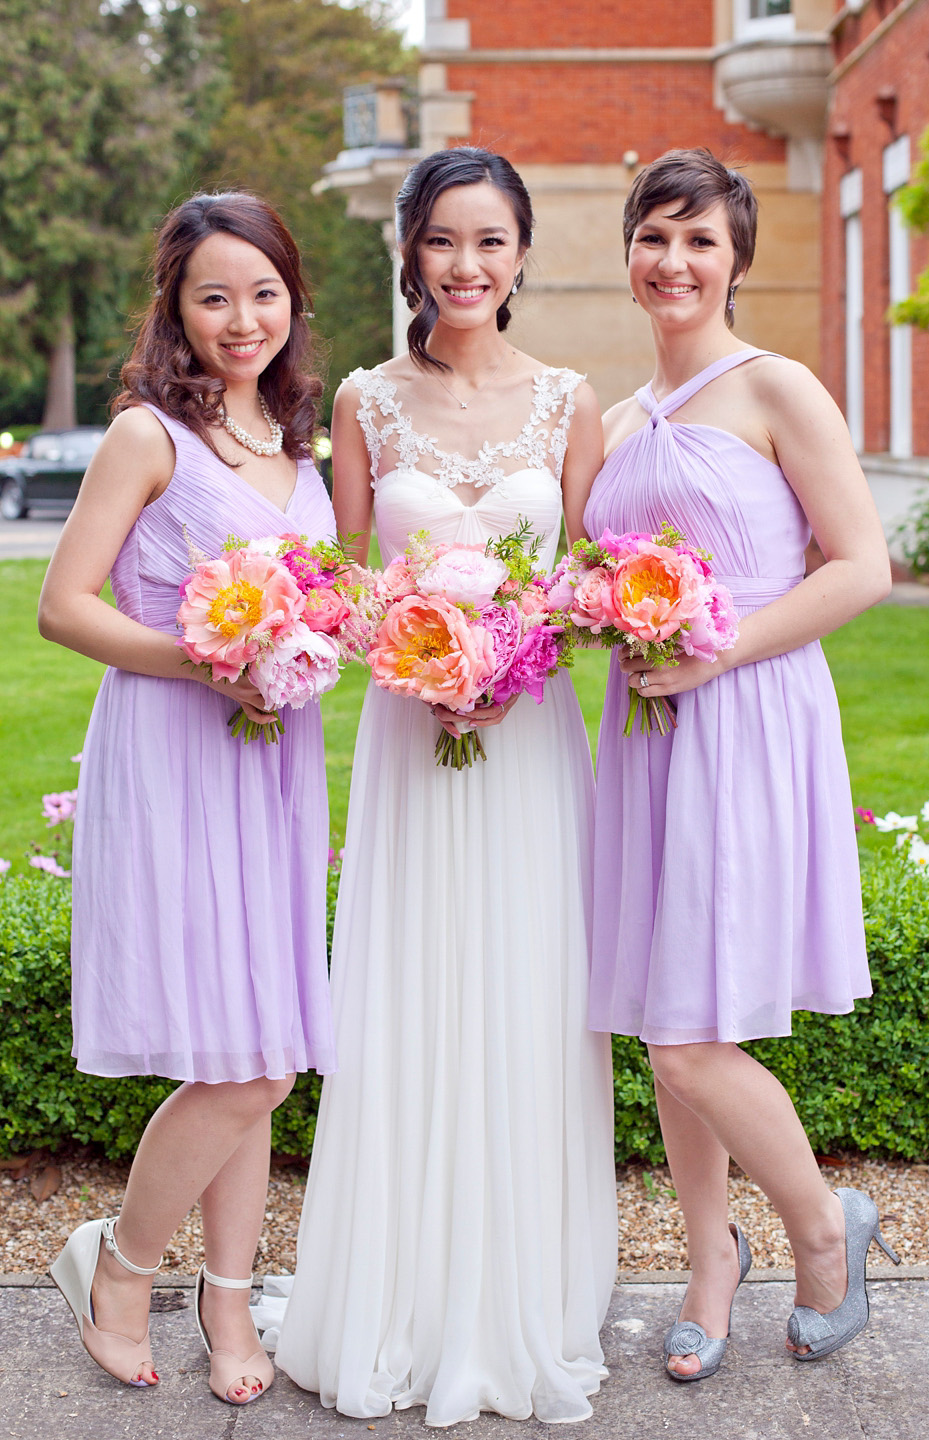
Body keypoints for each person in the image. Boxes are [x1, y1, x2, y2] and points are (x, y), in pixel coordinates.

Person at [268, 147, 618, 1425]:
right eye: (443, 242)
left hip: (529, 748)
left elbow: (586, 592)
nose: (465, 266)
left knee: (530, 993)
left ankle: (522, 1295)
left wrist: (517, 653)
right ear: (409, 253)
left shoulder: (572, 401)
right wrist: (418, 655)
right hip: (414, 746)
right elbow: (343, 582)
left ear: (522, 255)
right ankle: (399, 1294)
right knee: (409, 999)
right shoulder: (365, 401)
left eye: (491, 242)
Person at [583, 149, 897, 1382]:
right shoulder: (612, 423)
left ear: (737, 261)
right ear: (627, 253)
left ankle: (826, 1232)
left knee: (687, 1036)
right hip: (646, 731)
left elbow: (860, 564)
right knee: (669, 1009)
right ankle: (711, 1257)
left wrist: (718, 655)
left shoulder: (779, 389)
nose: (673, 261)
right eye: (654, 237)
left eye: (700, 240)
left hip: (747, 710)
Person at [39, 191, 337, 1406]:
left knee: (258, 1036)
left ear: (291, 301)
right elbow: (66, 605)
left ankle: (228, 1301)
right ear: (176, 304)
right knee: (251, 1066)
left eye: (262, 292)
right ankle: (119, 1265)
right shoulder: (147, 436)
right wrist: (210, 655)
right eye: (213, 295)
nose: (240, 318)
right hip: (175, 747)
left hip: (274, 759)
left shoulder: (301, 439)